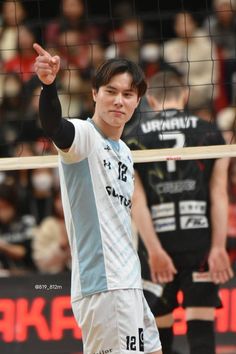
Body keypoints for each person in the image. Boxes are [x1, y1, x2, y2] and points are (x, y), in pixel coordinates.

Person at [33, 42, 162, 354]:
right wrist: (49, 87)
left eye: (128, 94)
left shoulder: (126, 152)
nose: (119, 101)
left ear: (137, 101)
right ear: (94, 94)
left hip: (129, 285)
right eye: (110, 91)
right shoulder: (84, 137)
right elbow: (55, 127)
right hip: (105, 287)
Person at [125, 71, 234, 354]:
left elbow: (136, 202)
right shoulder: (209, 131)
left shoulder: (132, 137)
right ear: (184, 94)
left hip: (156, 245)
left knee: (159, 339)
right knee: (201, 336)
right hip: (200, 240)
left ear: (149, 98)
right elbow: (219, 194)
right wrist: (218, 247)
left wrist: (153, 251)